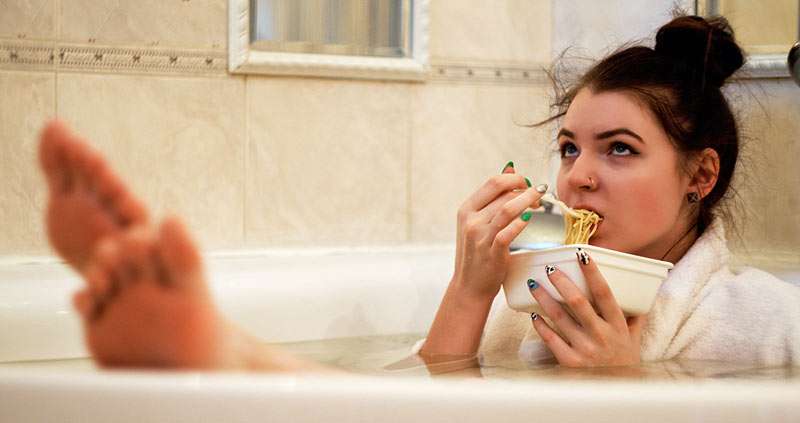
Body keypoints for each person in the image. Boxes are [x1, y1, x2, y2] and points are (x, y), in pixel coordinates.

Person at [39, 14, 799, 372]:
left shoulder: (765, 324)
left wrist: (626, 389)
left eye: (619, 150)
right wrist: (469, 290)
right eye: (569, 146)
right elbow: (410, 404)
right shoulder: (532, 293)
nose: (577, 176)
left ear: (700, 176)